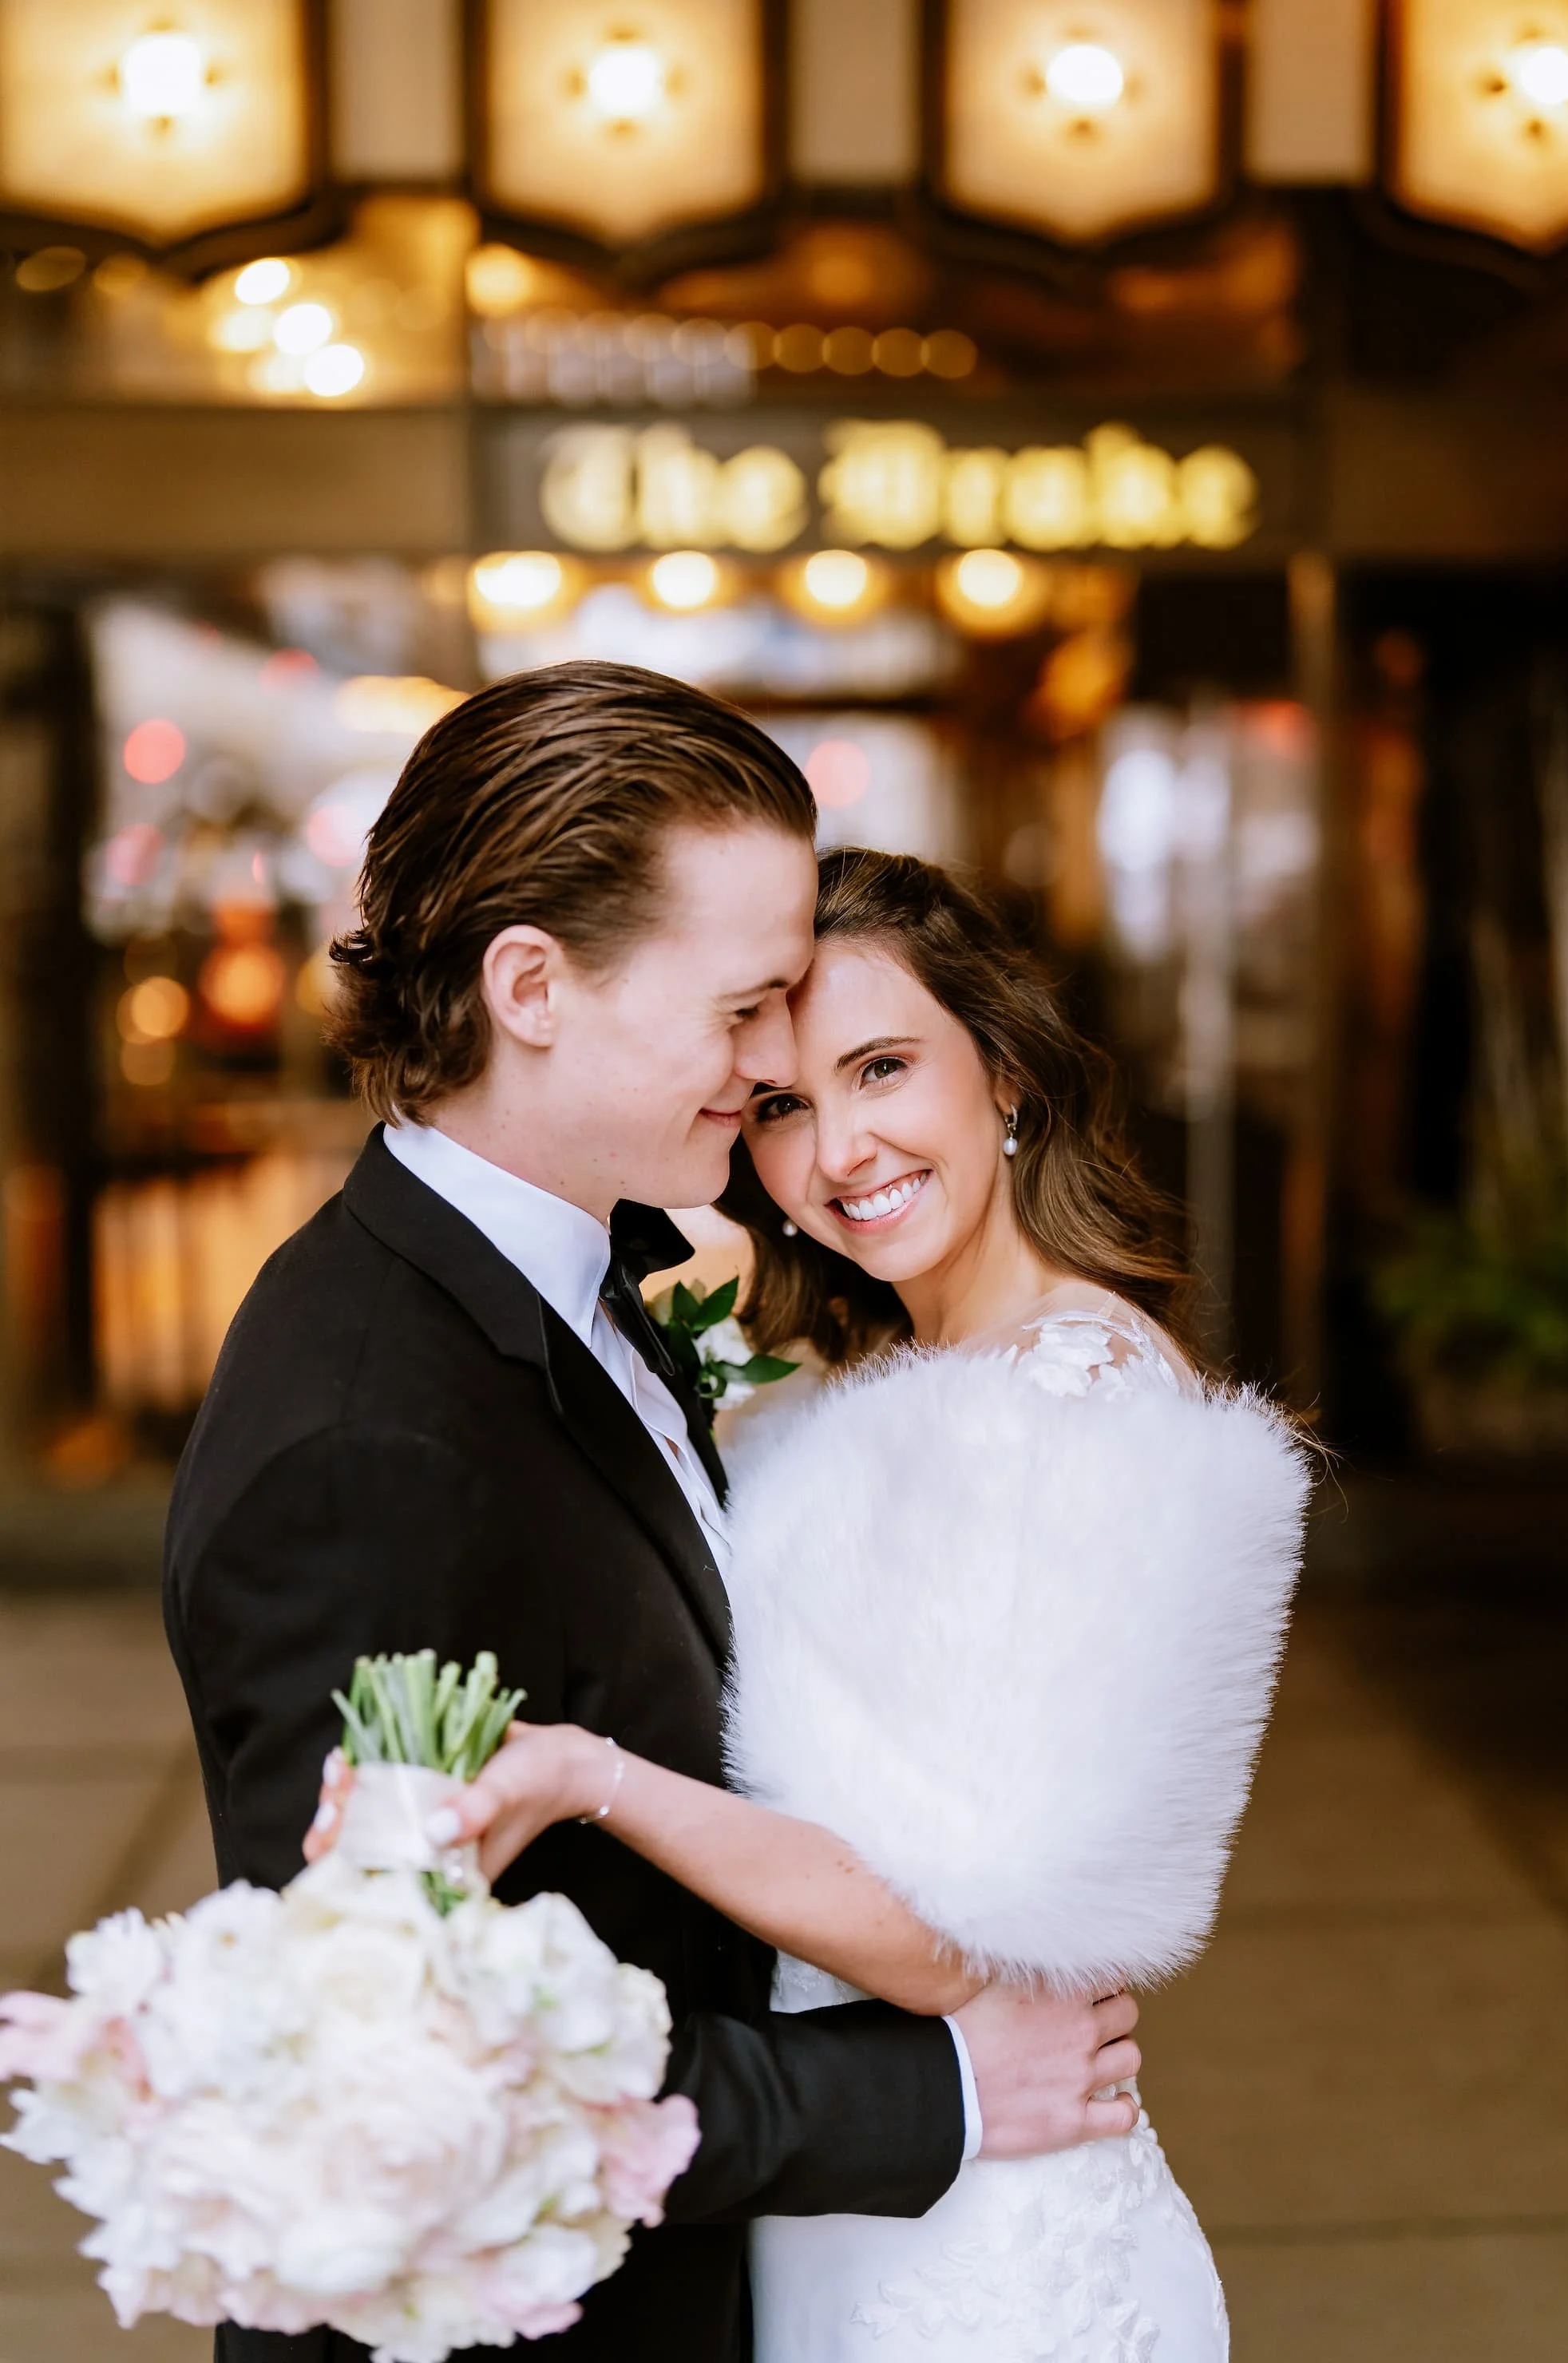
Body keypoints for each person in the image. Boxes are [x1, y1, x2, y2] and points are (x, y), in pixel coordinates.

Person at [163, 664, 1146, 2363]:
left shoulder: (589, 1273)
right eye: (747, 1007)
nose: (777, 1064)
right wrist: (936, 2092)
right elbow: (392, 2056)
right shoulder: (366, 1443)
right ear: (531, 985)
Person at [315, 847, 1309, 2361]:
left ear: (1007, 1074)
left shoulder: (1078, 1402)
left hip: (980, 2250)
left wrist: (592, 1778)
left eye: (883, 1068)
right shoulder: (852, 1383)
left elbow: (950, 1933)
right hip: (838, 2193)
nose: (840, 1150)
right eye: (782, 1103)